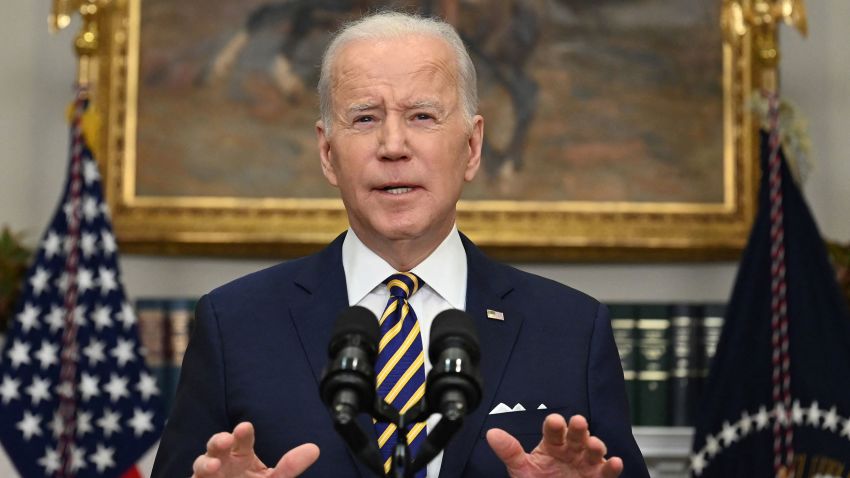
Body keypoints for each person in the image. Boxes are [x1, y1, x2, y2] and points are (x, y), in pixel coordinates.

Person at [152, 11, 649, 478]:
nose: (393, 145)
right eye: (365, 118)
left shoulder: (571, 329)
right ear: (328, 153)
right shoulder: (234, 325)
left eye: (422, 117)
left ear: (472, 148)